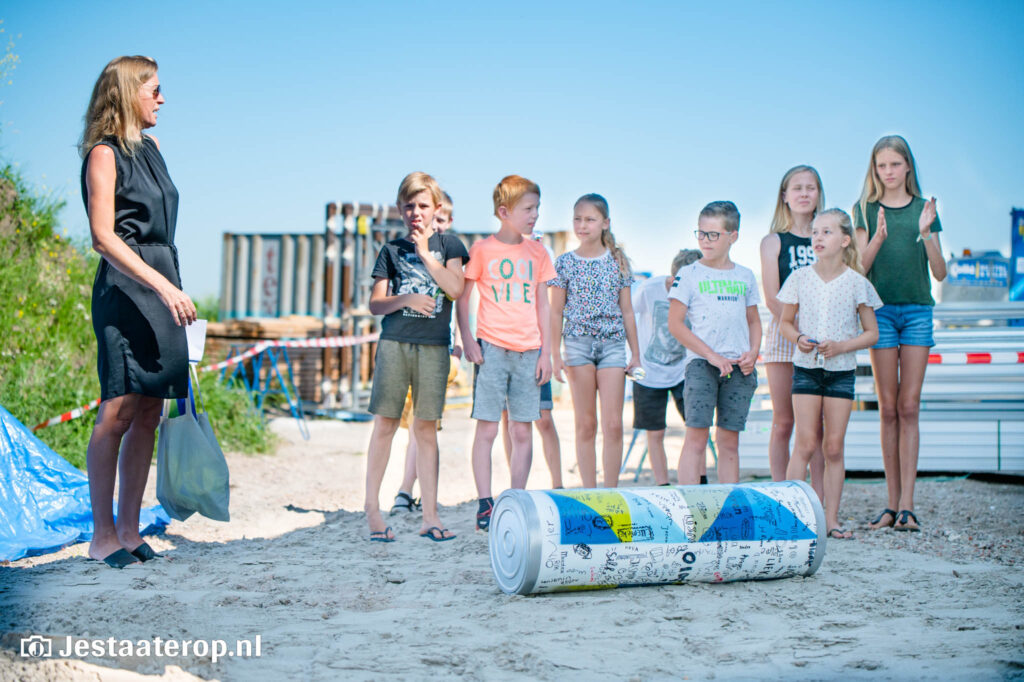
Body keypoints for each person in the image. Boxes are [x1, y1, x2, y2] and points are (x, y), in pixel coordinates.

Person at [79, 56, 195, 569]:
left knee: (150, 409)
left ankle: (128, 529)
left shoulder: (154, 149)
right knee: (118, 409)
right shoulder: (103, 155)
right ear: (129, 93)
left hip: (164, 283)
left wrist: (172, 286)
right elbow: (103, 237)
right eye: (154, 90)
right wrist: (161, 286)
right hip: (127, 289)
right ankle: (102, 536)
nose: (162, 99)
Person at [363, 172, 468, 542]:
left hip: (434, 347)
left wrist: (425, 253)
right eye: (409, 206)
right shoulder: (391, 250)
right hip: (394, 343)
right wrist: (406, 298)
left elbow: (456, 289)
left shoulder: (451, 245)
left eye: (423, 205)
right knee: (385, 424)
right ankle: (372, 510)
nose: (416, 212)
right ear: (399, 209)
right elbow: (376, 304)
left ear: (436, 208)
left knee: (425, 429)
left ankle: (430, 517)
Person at [854, 135, 946, 532]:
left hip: (918, 312)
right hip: (881, 313)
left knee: (909, 406)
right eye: (882, 165)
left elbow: (940, 272)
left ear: (908, 166)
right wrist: (878, 237)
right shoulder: (865, 208)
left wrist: (925, 233)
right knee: (888, 407)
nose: (888, 172)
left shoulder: (925, 209)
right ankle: (890, 504)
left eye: (895, 164)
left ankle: (908, 505)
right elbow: (858, 270)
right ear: (874, 170)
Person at [457, 175, 554, 531]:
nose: (535, 215)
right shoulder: (482, 250)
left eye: (537, 208)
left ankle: (516, 500)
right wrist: (468, 339)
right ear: (504, 212)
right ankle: (485, 504)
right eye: (528, 209)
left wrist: (546, 353)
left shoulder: (538, 252)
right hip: (492, 350)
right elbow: (463, 298)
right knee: (487, 429)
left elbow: (543, 305)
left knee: (522, 431)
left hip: (529, 352)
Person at [779, 209, 882, 539]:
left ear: (845, 240)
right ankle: (791, 519)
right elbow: (784, 323)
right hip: (806, 370)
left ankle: (831, 519)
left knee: (834, 447)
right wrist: (798, 338)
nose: (818, 238)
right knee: (805, 443)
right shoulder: (799, 278)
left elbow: (872, 333)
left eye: (827, 232)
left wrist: (842, 347)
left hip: (841, 373)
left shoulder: (857, 283)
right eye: (815, 232)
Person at [550, 194, 640, 489]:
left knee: (613, 424)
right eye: (577, 219)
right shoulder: (564, 263)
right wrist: (555, 355)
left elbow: (628, 311)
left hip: (612, 345)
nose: (582, 225)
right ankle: (590, 492)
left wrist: (636, 354)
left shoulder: (618, 261)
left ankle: (611, 491)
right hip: (577, 345)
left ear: (605, 223)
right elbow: (555, 311)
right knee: (586, 423)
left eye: (590, 219)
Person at [668, 201, 761, 485]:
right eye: (701, 233)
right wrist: (711, 355)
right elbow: (675, 325)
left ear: (733, 236)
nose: (705, 240)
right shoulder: (689, 274)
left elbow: (754, 321)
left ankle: (728, 503)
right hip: (702, 365)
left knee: (729, 441)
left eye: (713, 234)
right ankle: (689, 502)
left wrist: (753, 352)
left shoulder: (745, 276)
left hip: (738, 367)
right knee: (696, 437)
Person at [390, 192, 462, 514]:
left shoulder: (453, 257)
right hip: (410, 349)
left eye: (441, 219)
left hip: (440, 351)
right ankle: (411, 492)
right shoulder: (407, 255)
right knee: (417, 427)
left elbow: (462, 305)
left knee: (424, 426)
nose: (435, 225)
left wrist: (458, 350)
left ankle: (408, 492)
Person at [759, 165, 826, 498]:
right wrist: (798, 332)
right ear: (784, 196)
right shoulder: (773, 241)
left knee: (815, 427)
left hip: (822, 338)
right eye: (797, 188)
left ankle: (819, 500)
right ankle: (781, 498)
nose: (803, 193)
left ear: (818, 194)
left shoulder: (827, 238)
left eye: (810, 187)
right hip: (785, 336)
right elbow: (772, 297)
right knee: (784, 421)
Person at [630, 249, 702, 486]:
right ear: (672, 280)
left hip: (684, 370)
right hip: (648, 372)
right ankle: (663, 485)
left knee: (696, 427)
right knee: (655, 432)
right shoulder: (649, 289)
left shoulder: (700, 292)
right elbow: (629, 315)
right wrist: (633, 356)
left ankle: (700, 481)